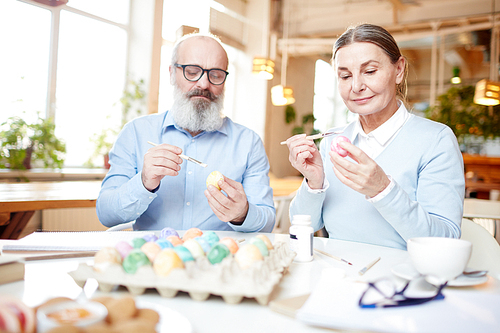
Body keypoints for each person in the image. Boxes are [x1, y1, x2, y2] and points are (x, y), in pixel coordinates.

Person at [285, 24, 465, 250]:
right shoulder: (333, 140)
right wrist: (314, 183)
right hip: (335, 276)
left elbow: (444, 242)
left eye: (370, 71)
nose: (356, 86)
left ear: (398, 70)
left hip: (402, 282)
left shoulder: (436, 140)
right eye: (345, 76)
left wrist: (383, 190)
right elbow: (305, 226)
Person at [97, 33, 275, 232]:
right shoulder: (136, 132)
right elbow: (105, 214)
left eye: (215, 75)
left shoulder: (248, 143)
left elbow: (267, 222)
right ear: (172, 73)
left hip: (220, 259)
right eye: (192, 72)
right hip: (154, 258)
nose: (203, 84)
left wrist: (243, 213)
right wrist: (144, 182)